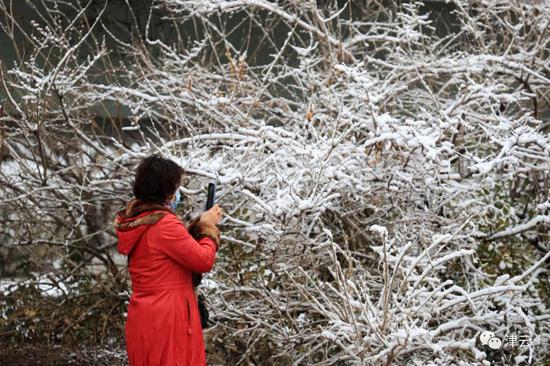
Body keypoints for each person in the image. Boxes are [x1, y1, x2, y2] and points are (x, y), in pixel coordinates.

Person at [113, 154, 222, 366]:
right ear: (166, 190)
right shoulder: (164, 225)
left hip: (146, 316)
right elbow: (203, 260)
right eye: (176, 187)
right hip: (169, 320)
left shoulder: (138, 220)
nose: (177, 192)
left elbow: (172, 250)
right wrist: (208, 228)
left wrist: (198, 225)